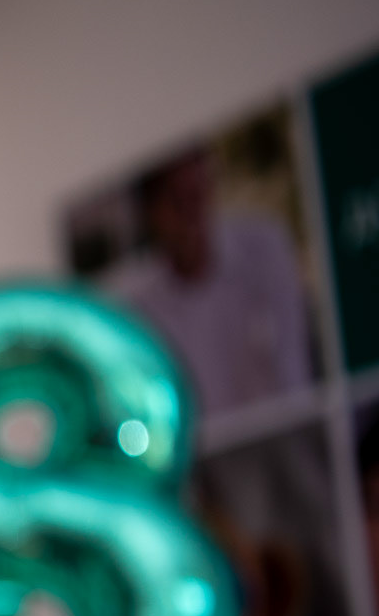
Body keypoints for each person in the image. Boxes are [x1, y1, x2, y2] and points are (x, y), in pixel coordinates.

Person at [108, 146, 314, 417]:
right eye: (177, 202)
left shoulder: (264, 248)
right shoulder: (135, 301)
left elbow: (293, 370)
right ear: (152, 213)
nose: (191, 217)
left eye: (197, 196)